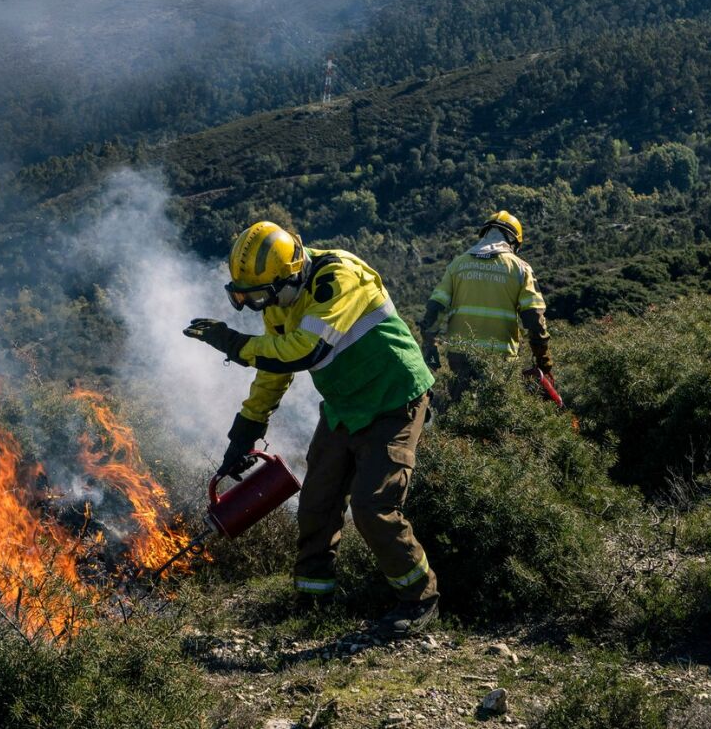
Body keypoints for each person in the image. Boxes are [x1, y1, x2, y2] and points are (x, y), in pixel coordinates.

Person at [184, 221, 439, 637]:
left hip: (393, 399)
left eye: (260, 297)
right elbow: (272, 370)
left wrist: (233, 342)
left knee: (374, 507)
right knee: (317, 503)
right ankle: (313, 599)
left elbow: (304, 350)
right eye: (245, 298)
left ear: (290, 273)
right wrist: (244, 432)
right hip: (344, 406)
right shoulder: (279, 299)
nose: (256, 307)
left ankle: (420, 600)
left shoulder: (338, 277)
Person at [420, 211, 551, 403]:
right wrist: (544, 361)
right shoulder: (520, 268)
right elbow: (534, 318)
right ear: (514, 241)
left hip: (460, 355)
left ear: (484, 234)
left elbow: (435, 308)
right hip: (500, 358)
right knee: (496, 414)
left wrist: (429, 345)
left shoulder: (457, 265)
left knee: (460, 411)